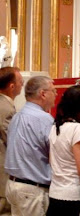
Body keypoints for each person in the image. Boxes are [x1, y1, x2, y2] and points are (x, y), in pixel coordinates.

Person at [5, 75, 56, 215]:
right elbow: (55, 153)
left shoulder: (17, 116)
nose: (56, 95)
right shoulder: (44, 119)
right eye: (54, 91)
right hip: (31, 188)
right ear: (43, 94)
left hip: (14, 184)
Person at [46, 85, 80, 216]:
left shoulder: (55, 127)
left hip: (55, 191)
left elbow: (52, 161)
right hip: (73, 194)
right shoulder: (77, 129)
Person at [0, 67, 23, 213]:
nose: (23, 84)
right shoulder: (6, 108)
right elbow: (12, 140)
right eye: (21, 82)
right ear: (12, 86)